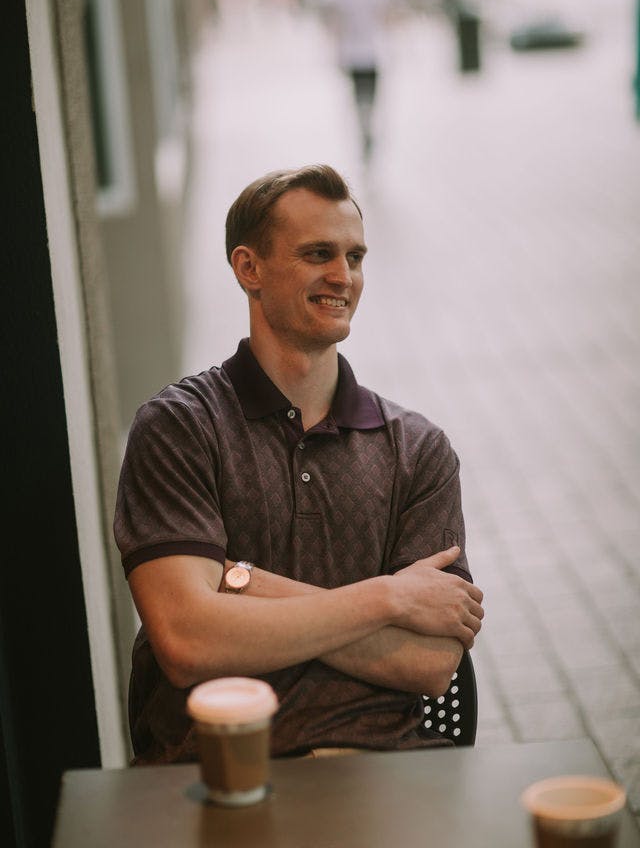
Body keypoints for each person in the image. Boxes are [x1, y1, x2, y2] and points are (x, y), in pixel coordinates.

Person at [114, 164, 483, 764]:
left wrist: (242, 583)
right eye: (318, 254)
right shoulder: (180, 427)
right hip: (220, 767)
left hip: (381, 767)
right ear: (247, 268)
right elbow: (186, 641)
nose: (344, 277)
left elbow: (431, 661)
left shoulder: (419, 450)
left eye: (355, 257)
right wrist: (387, 599)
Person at [325, 0, 395, 155]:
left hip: (360, 50)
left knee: (361, 95)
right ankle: (366, 123)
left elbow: (335, 19)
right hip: (366, 49)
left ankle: (364, 123)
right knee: (368, 95)